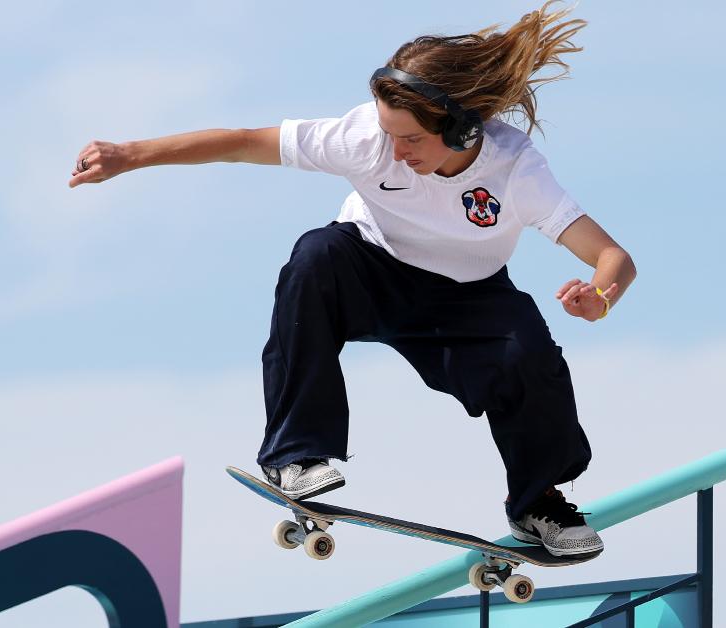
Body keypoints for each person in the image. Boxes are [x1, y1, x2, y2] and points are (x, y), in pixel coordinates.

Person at [69, 1, 635, 558]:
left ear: (461, 129)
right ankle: (296, 454)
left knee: (528, 353)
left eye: (411, 139)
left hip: (468, 299)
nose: (395, 151)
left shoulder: (514, 168)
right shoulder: (364, 139)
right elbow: (244, 142)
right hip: (368, 268)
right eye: (389, 134)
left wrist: (600, 298)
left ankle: (538, 502)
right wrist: (130, 154)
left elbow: (611, 255)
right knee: (314, 257)